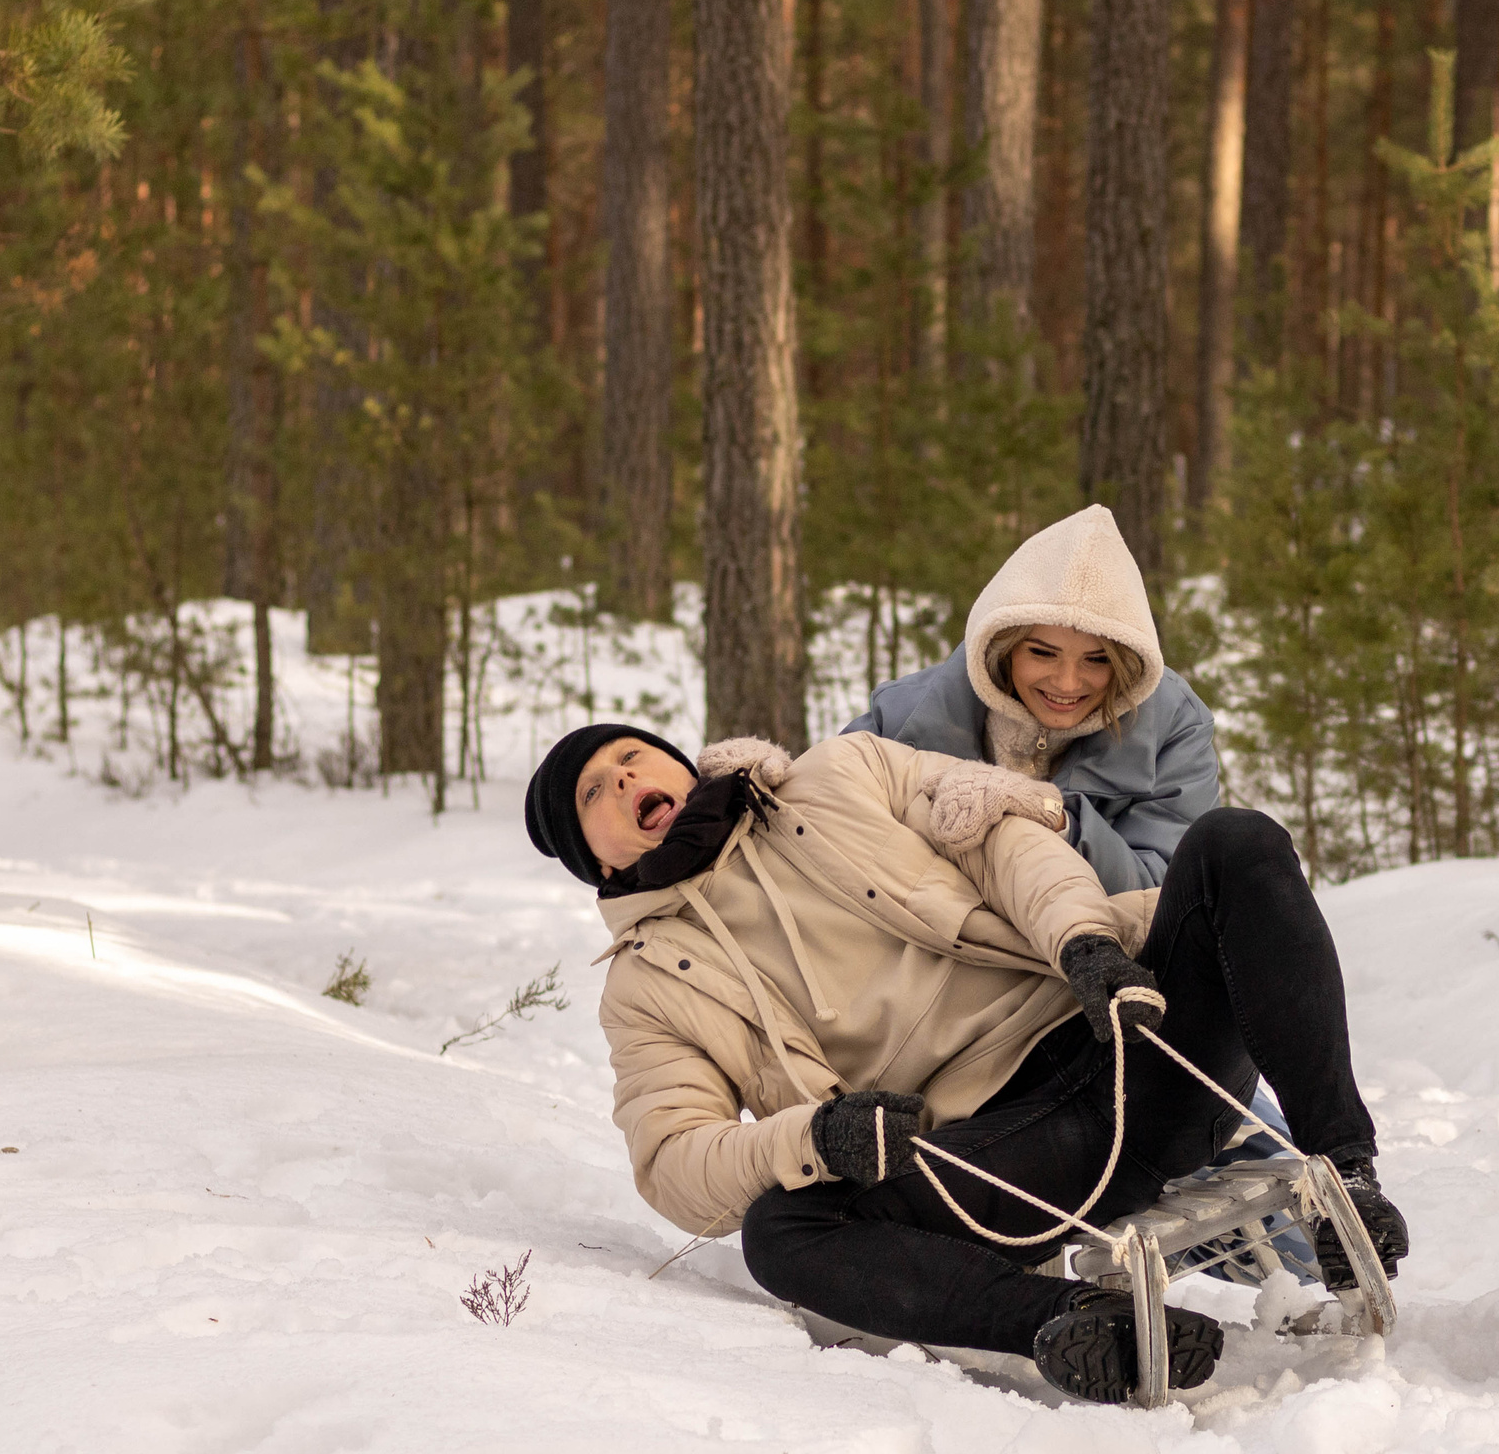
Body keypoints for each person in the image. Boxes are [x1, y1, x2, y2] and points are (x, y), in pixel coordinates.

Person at [524, 720, 1410, 1404]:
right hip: (997, 1159)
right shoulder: (646, 988)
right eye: (599, 791)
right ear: (591, 856)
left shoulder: (844, 772)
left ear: (680, 762)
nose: (629, 780)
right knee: (781, 1233)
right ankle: (1077, 1329)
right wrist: (817, 1140)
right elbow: (676, 1161)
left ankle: (1350, 1179)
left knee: (1235, 843)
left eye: (635, 757)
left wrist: (1082, 940)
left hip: (1121, 1038)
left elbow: (996, 832)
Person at [846, 504, 1216, 897]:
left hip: (1092, 948)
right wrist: (781, 783)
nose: (1067, 683)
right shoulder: (906, 713)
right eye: (1042, 653)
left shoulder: (1174, 725)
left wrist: (1056, 818)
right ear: (1002, 647)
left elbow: (1166, 891)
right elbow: (828, 811)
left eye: (1097, 660)